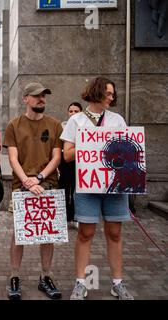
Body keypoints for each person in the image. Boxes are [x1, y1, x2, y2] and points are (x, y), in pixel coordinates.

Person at [61, 77, 134, 300]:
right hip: (87, 184)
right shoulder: (77, 121)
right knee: (86, 233)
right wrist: (89, 141)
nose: (112, 98)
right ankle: (81, 282)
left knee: (114, 232)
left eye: (113, 94)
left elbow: (128, 150)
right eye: (108, 93)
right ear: (96, 92)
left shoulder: (117, 120)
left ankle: (118, 283)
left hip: (113, 185)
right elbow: (67, 155)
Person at [3, 82, 63, 300]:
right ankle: (14, 277)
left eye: (44, 96)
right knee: (19, 233)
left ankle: (45, 276)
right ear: (25, 98)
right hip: (22, 184)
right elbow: (12, 158)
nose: (41, 100)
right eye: (37, 96)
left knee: (48, 233)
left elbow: (56, 157)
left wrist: (38, 178)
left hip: (48, 184)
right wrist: (27, 181)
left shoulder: (55, 125)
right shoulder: (14, 125)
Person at [59, 102, 83, 230]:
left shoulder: (84, 127)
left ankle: (75, 217)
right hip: (64, 163)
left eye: (76, 111)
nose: (73, 113)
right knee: (64, 189)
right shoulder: (62, 126)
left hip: (79, 163)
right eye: (71, 111)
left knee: (76, 190)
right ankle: (64, 217)